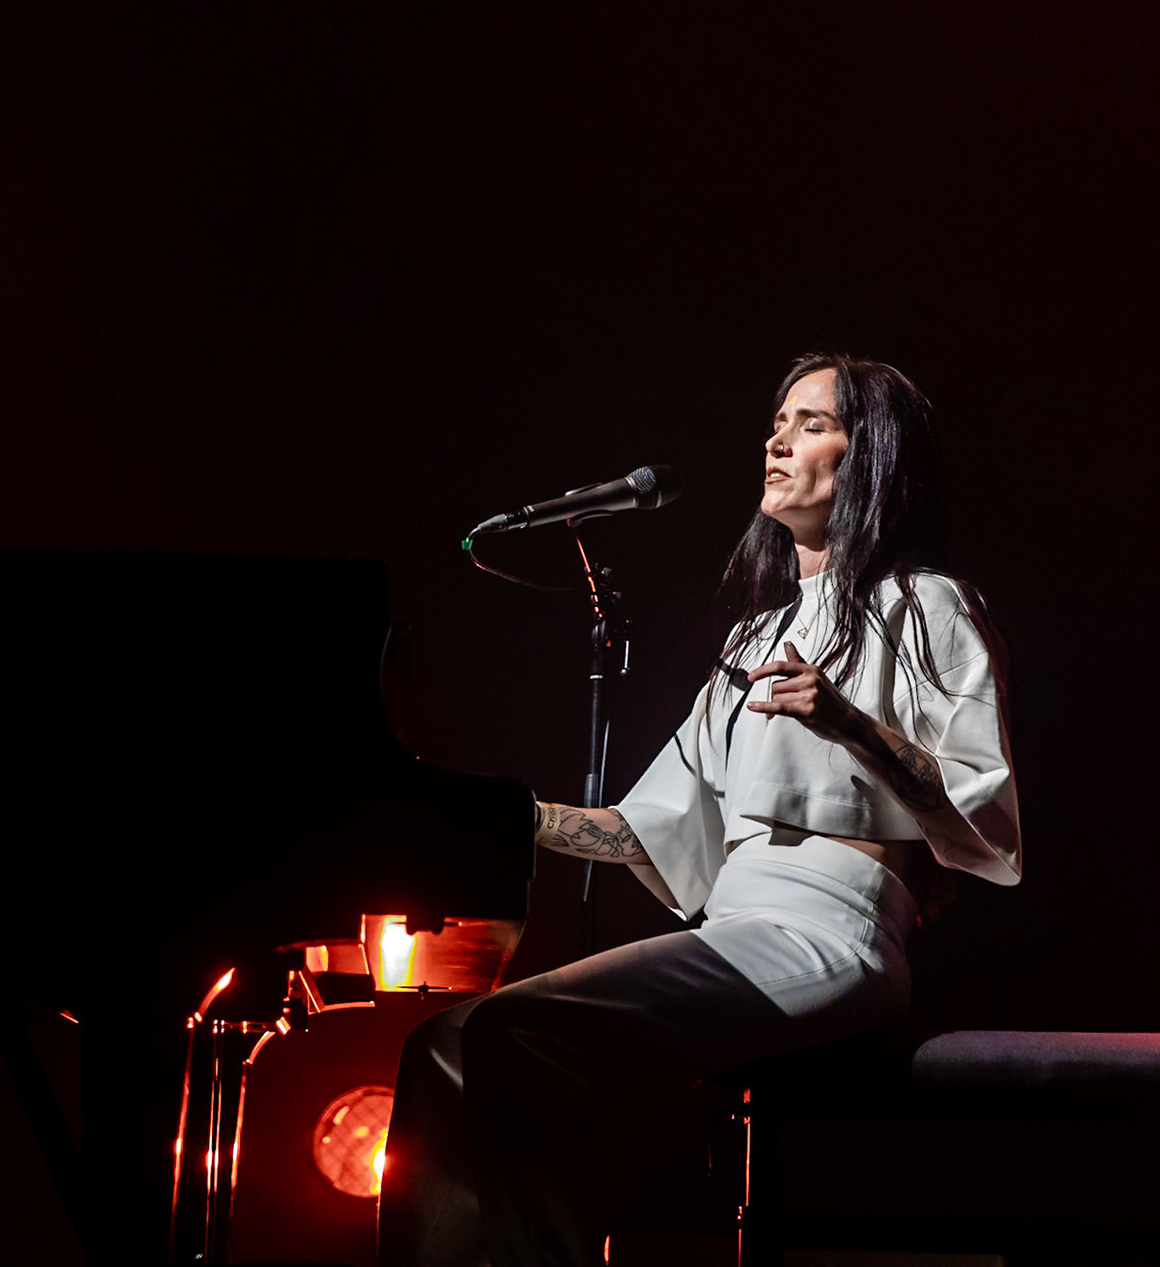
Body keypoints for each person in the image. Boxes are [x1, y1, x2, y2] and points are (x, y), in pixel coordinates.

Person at [377, 353, 1021, 1267]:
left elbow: (983, 819)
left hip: (832, 930)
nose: (776, 439)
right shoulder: (753, 638)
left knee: (519, 1036)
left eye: (811, 423)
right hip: (735, 921)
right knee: (439, 1048)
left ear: (871, 453)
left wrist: (852, 723)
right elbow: (651, 827)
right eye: (778, 419)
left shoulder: (928, 607)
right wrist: (487, 813)